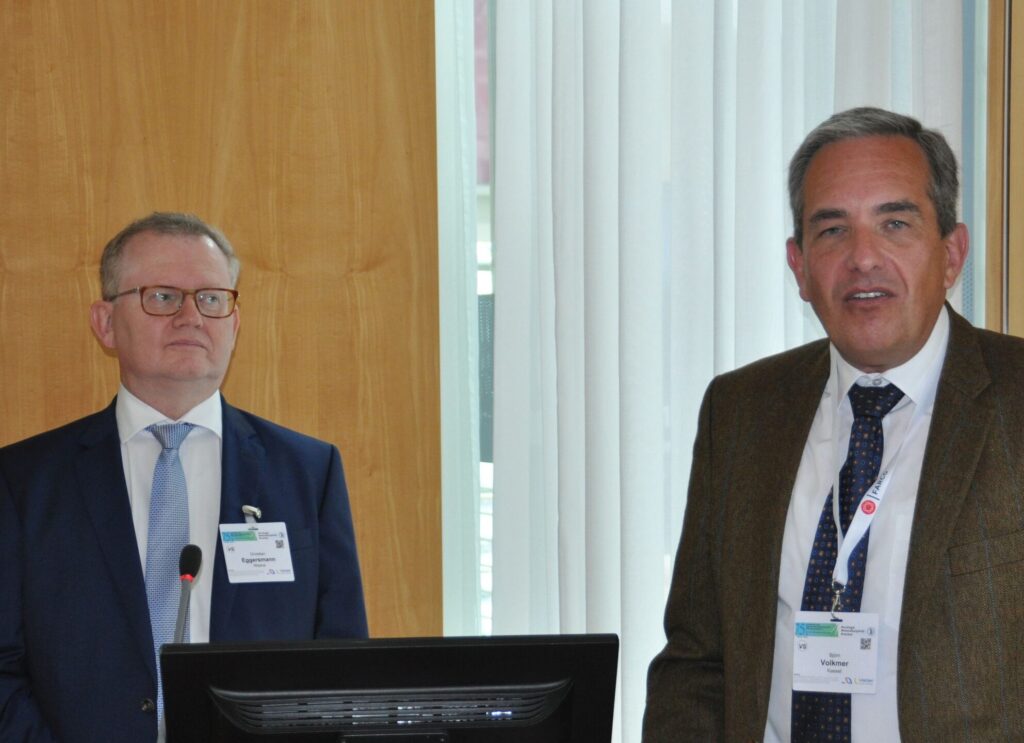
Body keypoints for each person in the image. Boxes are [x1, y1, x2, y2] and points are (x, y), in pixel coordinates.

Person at [643, 107, 1024, 741]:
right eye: (832, 231)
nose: (862, 259)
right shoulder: (740, 412)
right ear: (799, 267)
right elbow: (697, 662)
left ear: (951, 253)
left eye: (895, 224)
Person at [0, 212, 368, 742]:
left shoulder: (308, 474)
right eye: (163, 296)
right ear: (105, 323)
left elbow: (341, 668)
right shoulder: (23, 482)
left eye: (212, 298)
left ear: (234, 325)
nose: (192, 317)